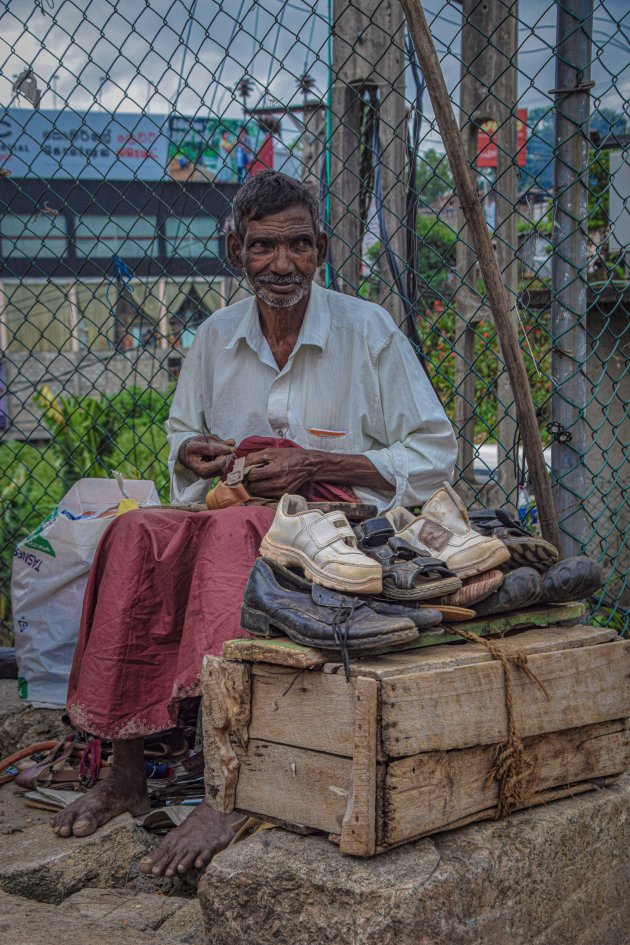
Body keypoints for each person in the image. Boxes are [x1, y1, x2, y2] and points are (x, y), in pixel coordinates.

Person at [51, 171, 457, 877]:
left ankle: (229, 786)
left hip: (344, 527)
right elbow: (185, 435)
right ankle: (124, 768)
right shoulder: (214, 336)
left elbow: (433, 451)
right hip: (235, 517)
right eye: (263, 246)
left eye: (298, 245)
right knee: (133, 532)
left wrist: (313, 463)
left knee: (241, 536)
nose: (281, 264)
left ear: (321, 248)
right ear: (235, 249)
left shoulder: (367, 330)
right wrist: (192, 453)